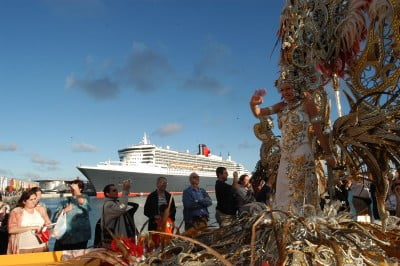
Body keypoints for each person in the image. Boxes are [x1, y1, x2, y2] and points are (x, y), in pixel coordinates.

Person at [250, 82, 336, 214]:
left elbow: (318, 131)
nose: (285, 92)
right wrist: (254, 104)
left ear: (297, 87)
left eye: (288, 88)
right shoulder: (281, 107)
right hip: (286, 156)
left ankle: (304, 221)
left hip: (302, 153)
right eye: (282, 90)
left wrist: (329, 154)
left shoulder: (308, 104)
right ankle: (285, 223)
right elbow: (259, 113)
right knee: (284, 191)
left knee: (301, 191)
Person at [52, 179, 91, 251]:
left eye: (75, 187)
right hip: (64, 237)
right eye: (71, 187)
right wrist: (64, 210)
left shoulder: (85, 198)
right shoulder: (64, 201)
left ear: (80, 188)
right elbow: (55, 218)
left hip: (80, 238)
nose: (72, 189)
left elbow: (83, 203)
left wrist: (77, 191)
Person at [96, 181, 138, 247]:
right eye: (114, 190)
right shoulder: (108, 205)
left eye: (117, 190)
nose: (116, 192)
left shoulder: (115, 203)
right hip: (114, 240)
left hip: (119, 239)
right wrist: (125, 191)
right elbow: (122, 207)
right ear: (107, 194)